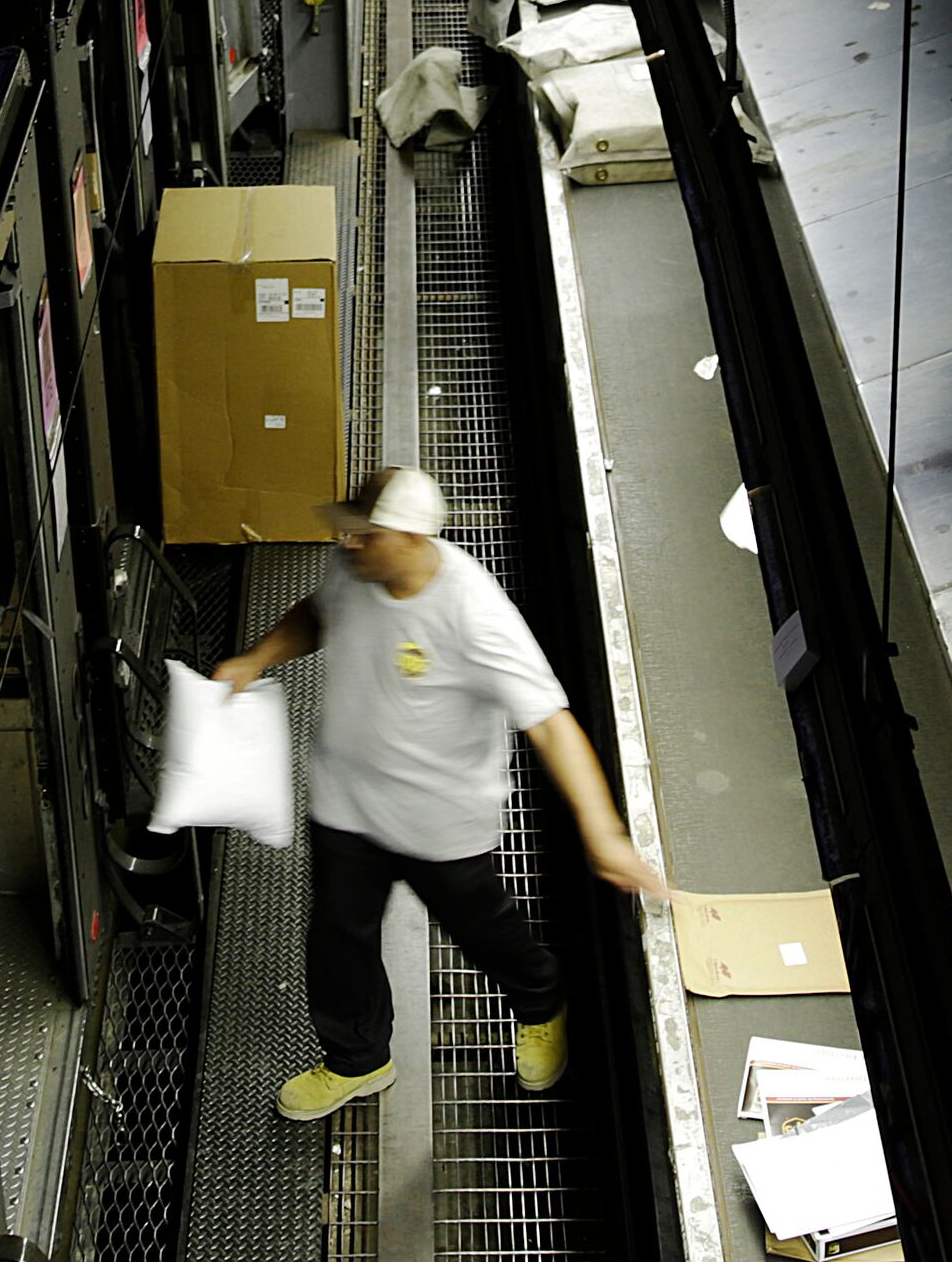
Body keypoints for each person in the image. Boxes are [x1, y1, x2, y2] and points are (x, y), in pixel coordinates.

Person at [212, 465, 661, 1121]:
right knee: (338, 940)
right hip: (346, 801)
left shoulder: (475, 614)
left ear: (416, 539)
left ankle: (542, 1001)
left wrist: (605, 834)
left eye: (368, 536)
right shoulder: (354, 571)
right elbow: (316, 615)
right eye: (351, 534)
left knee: (482, 932)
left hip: (440, 821)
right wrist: (257, 658)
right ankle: (357, 1061)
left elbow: (551, 723)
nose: (350, 546)